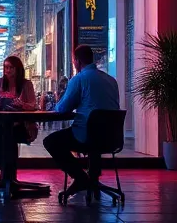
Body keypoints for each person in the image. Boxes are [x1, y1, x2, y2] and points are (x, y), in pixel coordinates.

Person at [45, 45, 121, 196]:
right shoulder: (111, 80)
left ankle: (81, 178)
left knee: (51, 142)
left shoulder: (79, 79)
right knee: (96, 134)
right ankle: (92, 179)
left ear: (77, 61)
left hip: (86, 136)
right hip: (111, 138)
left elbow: (62, 109)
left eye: (74, 61)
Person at [0, 55, 39, 173]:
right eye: (5, 67)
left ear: (18, 69)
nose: (7, 70)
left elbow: (34, 106)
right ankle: (7, 175)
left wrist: (22, 105)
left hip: (22, 126)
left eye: (11, 68)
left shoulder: (26, 84)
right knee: (3, 130)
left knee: (4, 132)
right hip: (0, 124)